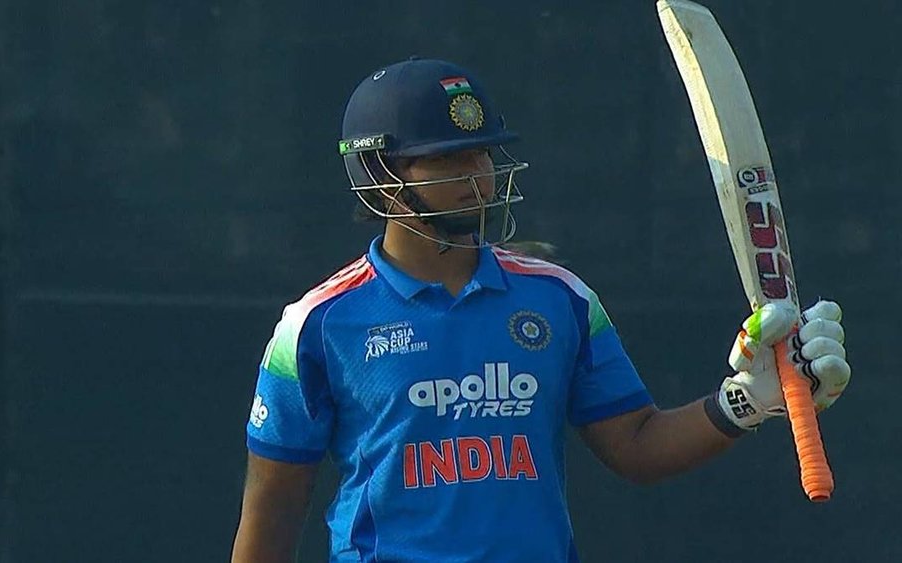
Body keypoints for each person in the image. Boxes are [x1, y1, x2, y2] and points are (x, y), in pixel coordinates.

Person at [231, 58, 851, 563]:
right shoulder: (318, 325)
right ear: (379, 172)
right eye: (448, 159)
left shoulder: (559, 299)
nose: (478, 176)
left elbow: (637, 445)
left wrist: (746, 400)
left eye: (482, 155)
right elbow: (273, 512)